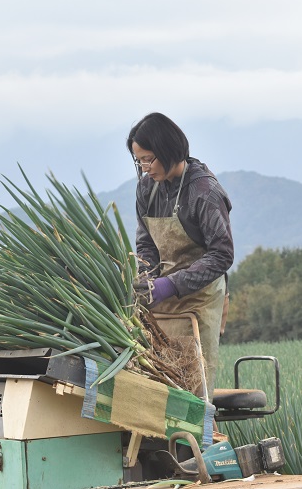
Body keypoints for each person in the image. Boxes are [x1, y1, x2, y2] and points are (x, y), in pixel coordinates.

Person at [127, 112, 233, 401]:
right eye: (139, 161)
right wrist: (147, 278)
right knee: (159, 388)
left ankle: (196, 443)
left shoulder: (204, 192)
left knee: (194, 392)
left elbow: (222, 255)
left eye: (149, 158)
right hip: (161, 303)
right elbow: (145, 242)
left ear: (168, 150)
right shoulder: (146, 188)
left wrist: (170, 285)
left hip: (199, 302)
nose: (145, 167)